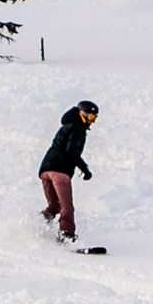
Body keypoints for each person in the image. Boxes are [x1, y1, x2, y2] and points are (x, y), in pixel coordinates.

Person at [39, 100, 98, 244]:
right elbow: (71, 152)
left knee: (55, 206)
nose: (93, 122)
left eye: (95, 118)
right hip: (60, 171)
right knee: (67, 206)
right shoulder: (77, 128)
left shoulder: (67, 126)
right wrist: (85, 169)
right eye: (91, 117)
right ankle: (67, 234)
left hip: (46, 169)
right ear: (83, 114)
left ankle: (35, 223)